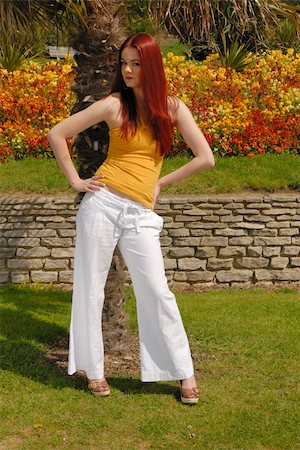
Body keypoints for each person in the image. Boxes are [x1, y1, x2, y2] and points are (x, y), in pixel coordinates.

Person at [47, 32, 215, 405]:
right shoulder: (112, 105)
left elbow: (205, 157)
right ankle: (96, 371)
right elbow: (57, 133)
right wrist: (76, 180)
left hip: (139, 212)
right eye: (124, 62)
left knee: (157, 291)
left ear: (151, 65)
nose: (127, 69)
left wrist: (160, 183)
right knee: (90, 288)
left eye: (136, 63)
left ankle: (183, 372)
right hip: (102, 204)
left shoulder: (172, 107)